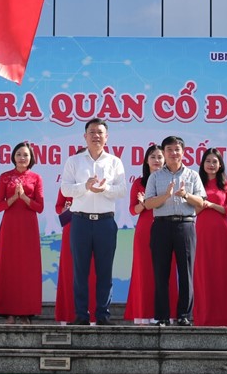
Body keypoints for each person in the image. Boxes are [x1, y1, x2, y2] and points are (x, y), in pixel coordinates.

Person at [60, 118, 127, 326]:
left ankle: (103, 315)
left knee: (104, 271)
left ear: (106, 137)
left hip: (105, 223)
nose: (96, 136)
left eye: (100, 132)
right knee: (80, 271)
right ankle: (81, 315)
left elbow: (122, 190)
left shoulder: (115, 162)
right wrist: (85, 186)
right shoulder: (74, 161)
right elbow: (65, 190)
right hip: (80, 221)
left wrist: (104, 189)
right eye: (92, 132)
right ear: (85, 136)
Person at [143, 135, 206, 326]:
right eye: (169, 150)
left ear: (183, 152)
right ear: (164, 152)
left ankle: (184, 315)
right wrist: (165, 196)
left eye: (177, 149)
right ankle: (162, 316)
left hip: (185, 225)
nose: (173, 153)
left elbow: (202, 202)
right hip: (161, 225)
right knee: (161, 272)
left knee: (186, 272)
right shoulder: (155, 176)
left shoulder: (192, 175)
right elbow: (147, 204)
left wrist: (186, 195)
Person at [0, 141, 45, 324]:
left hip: (28, 227)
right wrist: (14, 198)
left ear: (31, 158)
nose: (22, 158)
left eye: (25, 155)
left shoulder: (36, 177)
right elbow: (0, 205)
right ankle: (9, 312)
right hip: (10, 226)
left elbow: (39, 207)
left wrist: (24, 197)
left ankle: (26, 312)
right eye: (18, 154)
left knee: (27, 269)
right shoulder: (5, 177)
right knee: (9, 268)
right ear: (13, 157)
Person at [124, 145, 177, 324]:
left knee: (166, 271)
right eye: (153, 157)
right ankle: (143, 314)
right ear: (146, 161)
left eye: (160, 157)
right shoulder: (139, 182)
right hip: (145, 230)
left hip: (167, 228)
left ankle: (165, 314)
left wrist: (148, 202)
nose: (157, 160)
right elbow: (133, 209)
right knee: (144, 272)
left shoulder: (171, 180)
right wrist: (145, 204)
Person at [193, 147, 227, 326]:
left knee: (223, 272)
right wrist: (202, 205)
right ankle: (205, 317)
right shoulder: (196, 183)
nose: (211, 164)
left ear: (221, 164)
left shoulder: (226, 185)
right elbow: (193, 209)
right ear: (203, 164)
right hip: (201, 232)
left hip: (221, 233)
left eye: (215, 161)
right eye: (208, 161)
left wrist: (212, 205)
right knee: (203, 272)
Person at [53, 187, 97, 324]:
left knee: (91, 271)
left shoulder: (95, 183)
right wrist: (65, 210)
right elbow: (58, 207)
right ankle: (68, 316)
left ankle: (92, 316)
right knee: (69, 271)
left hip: (91, 227)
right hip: (70, 227)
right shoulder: (67, 185)